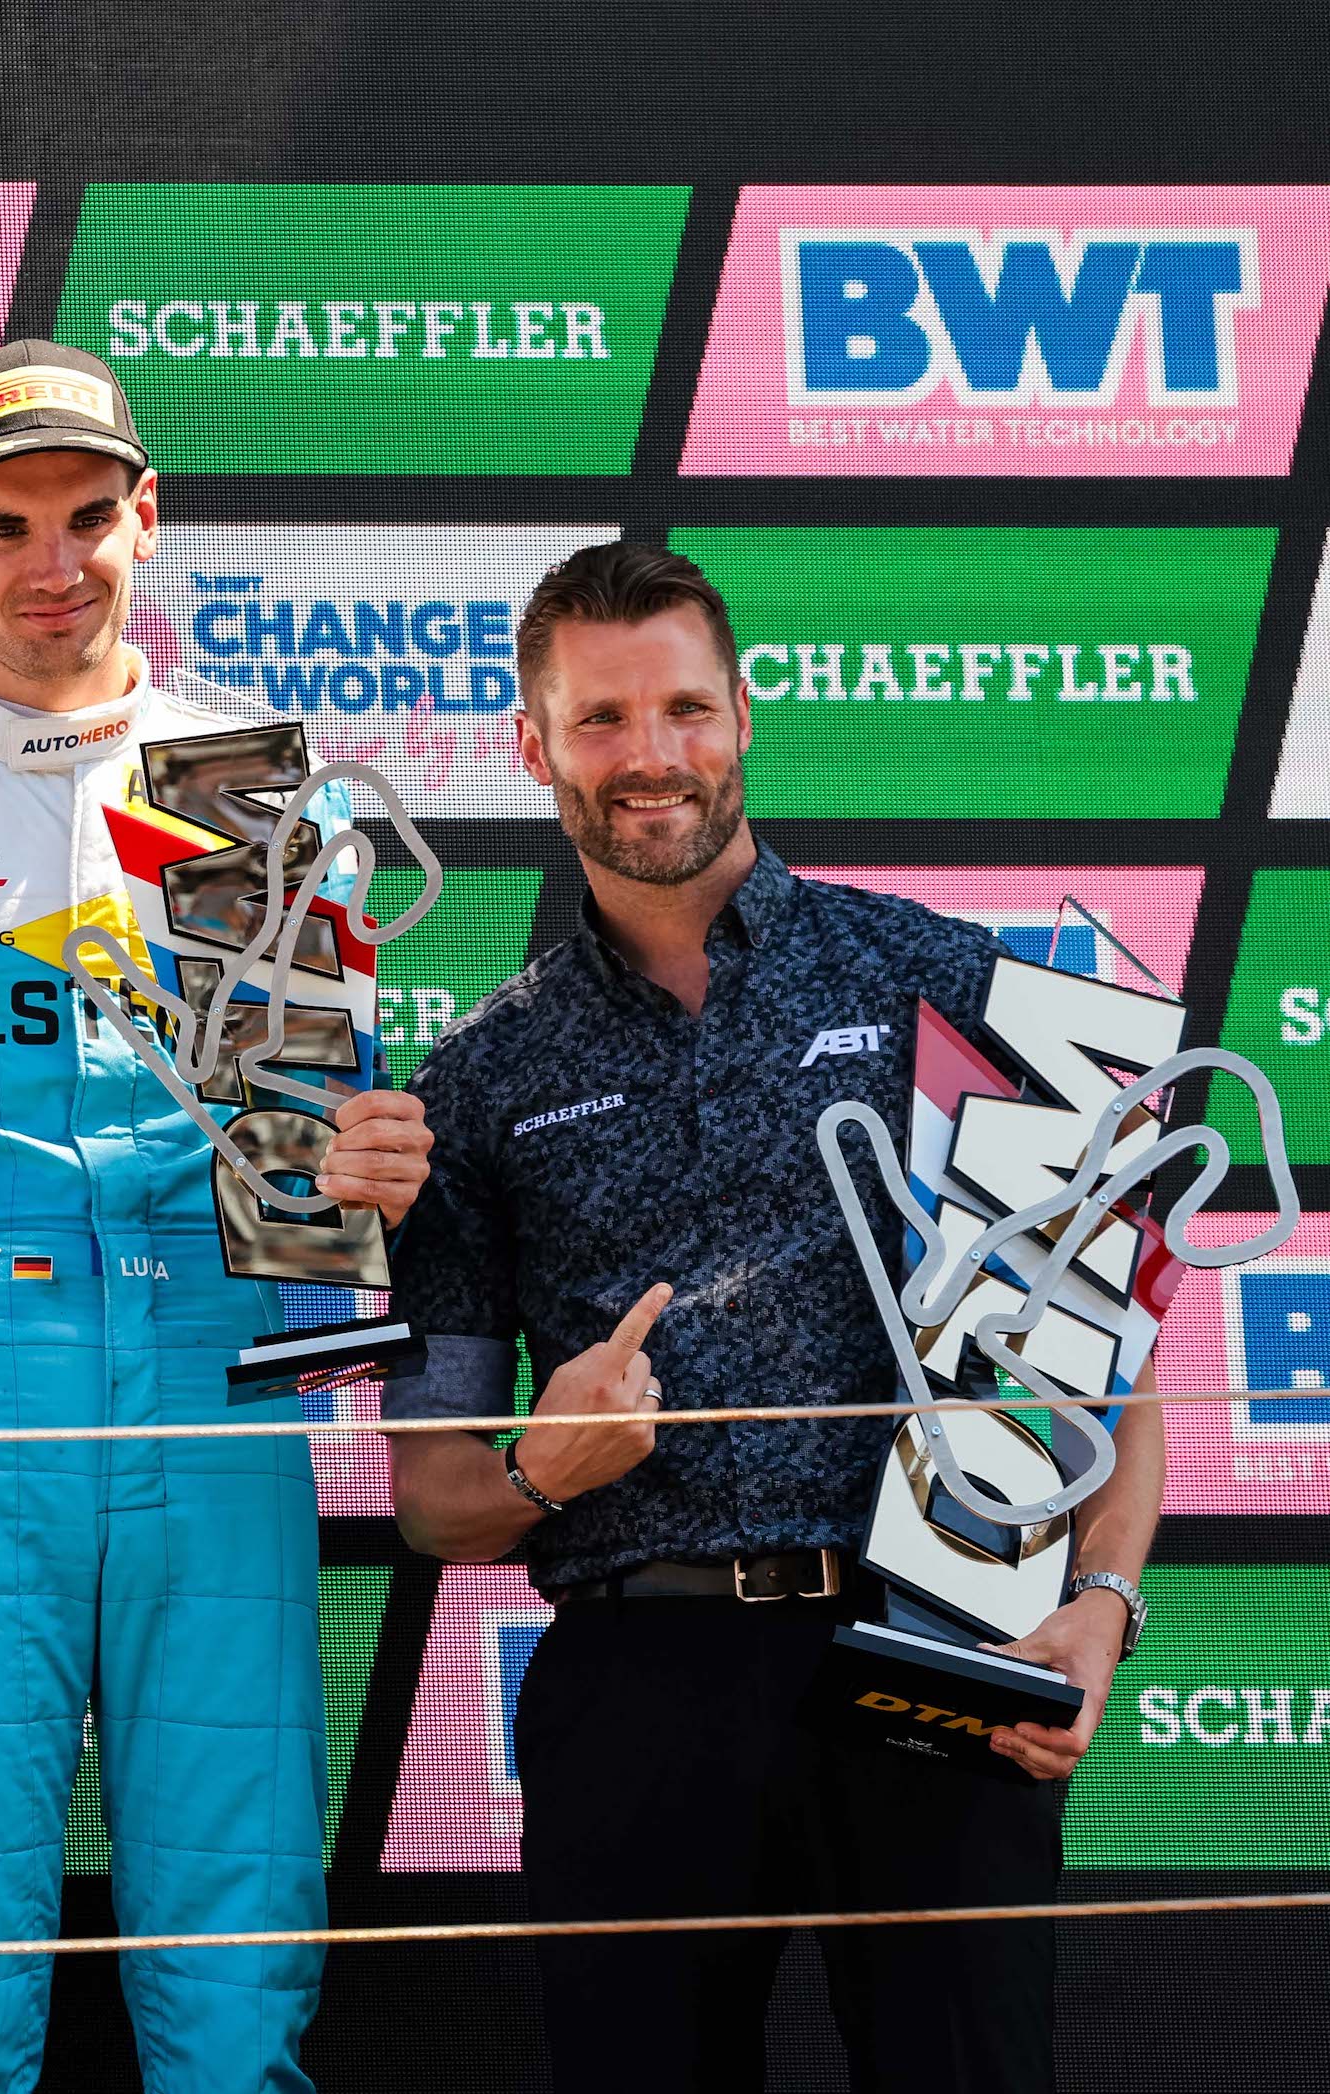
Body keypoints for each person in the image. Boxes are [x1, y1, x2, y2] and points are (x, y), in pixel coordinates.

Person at [0, 341, 434, 2094]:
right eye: (4, 525)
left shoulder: (253, 776)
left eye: (87, 519)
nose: (54, 563)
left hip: (220, 1389)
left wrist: (366, 1185)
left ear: (146, 518)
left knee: (237, 1957)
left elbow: (304, 1195)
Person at [384, 539, 1160, 2094]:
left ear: (741, 714)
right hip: (637, 1669)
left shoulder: (944, 979)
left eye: (684, 707)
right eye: (601, 718)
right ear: (533, 747)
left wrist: (1100, 1602)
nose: (650, 754)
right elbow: (431, 1496)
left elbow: (1105, 1371)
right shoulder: (475, 1081)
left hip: (933, 1640)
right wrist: (543, 1466)